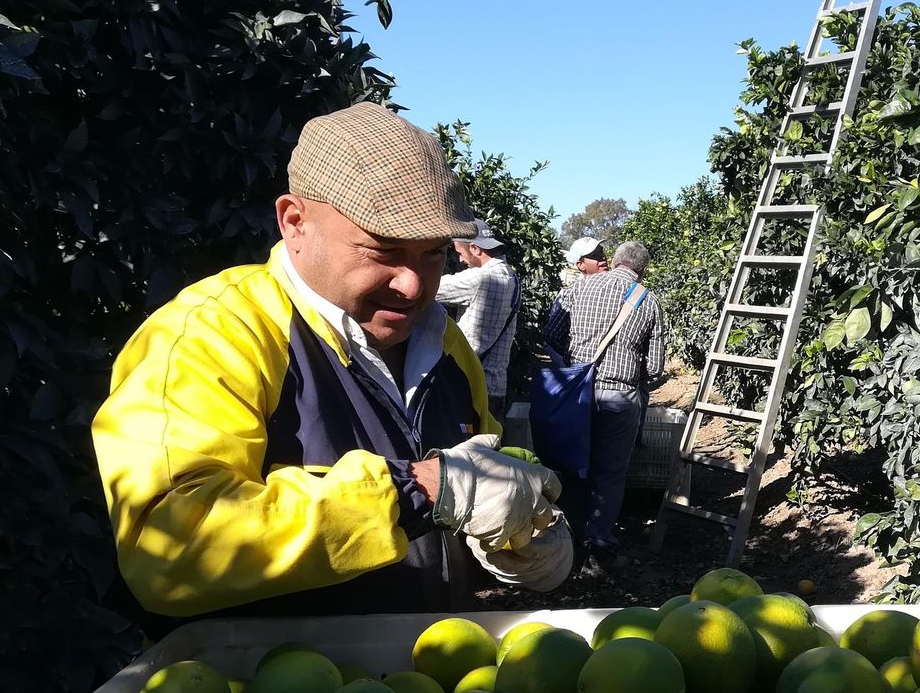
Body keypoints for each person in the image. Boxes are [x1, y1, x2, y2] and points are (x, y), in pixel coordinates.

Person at [92, 103, 571, 618]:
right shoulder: (213, 334)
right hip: (256, 689)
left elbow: (469, 491)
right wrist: (420, 490)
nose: (413, 285)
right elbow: (170, 548)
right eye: (383, 250)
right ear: (294, 222)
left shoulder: (447, 346)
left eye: (433, 253)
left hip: (423, 682)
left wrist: (513, 540)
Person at [546, 240, 667, 566]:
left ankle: (566, 543)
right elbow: (654, 367)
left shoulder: (577, 289)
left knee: (573, 468)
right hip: (619, 397)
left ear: (614, 261)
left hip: (577, 395)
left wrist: (575, 361)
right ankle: (598, 549)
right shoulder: (647, 300)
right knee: (609, 474)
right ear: (641, 270)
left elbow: (553, 334)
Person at [435, 218, 519, 423]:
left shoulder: (480, 279)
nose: (461, 261)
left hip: (469, 385)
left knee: (465, 452)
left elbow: (429, 287)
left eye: (460, 253)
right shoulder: (513, 278)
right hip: (496, 386)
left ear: (475, 248)